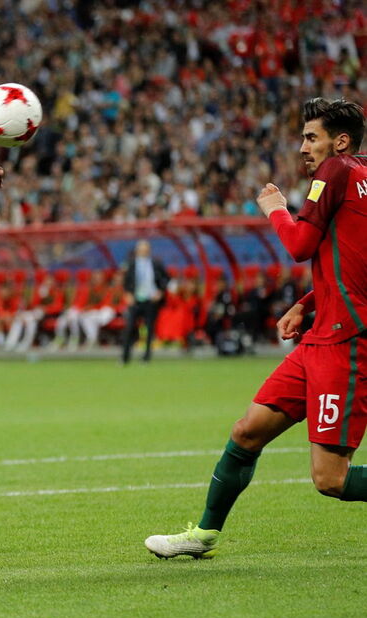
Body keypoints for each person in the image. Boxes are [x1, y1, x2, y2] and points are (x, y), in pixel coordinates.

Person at [145, 97, 367, 559]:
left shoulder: (335, 171)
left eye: (312, 137)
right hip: (320, 336)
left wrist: (275, 208)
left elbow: (301, 246)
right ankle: (204, 535)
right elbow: (352, 260)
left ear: (339, 141)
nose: (303, 147)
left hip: (344, 344)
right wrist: (307, 303)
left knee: (331, 478)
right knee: (248, 431)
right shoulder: (360, 175)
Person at [120, 240, 170, 363]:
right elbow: (126, 282)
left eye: (146, 250)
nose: (144, 252)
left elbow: (166, 279)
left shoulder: (156, 264)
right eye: (141, 250)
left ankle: (146, 357)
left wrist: (160, 292)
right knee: (130, 327)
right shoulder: (130, 264)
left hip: (150, 300)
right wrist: (127, 294)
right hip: (135, 300)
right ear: (137, 251)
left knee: (149, 328)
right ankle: (125, 357)